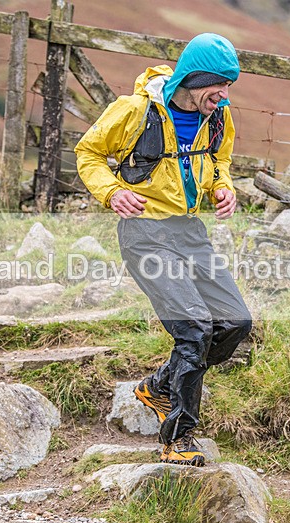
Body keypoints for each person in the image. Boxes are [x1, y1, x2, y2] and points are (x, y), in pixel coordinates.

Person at [75, 33, 252, 467]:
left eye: (229, 86)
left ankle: (158, 386)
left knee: (235, 323)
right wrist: (112, 192)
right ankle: (178, 437)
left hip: (190, 232)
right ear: (195, 77)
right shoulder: (135, 111)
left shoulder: (218, 117)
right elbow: (89, 153)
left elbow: (221, 160)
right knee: (194, 328)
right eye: (219, 85)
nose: (225, 95)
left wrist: (223, 187)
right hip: (146, 234)